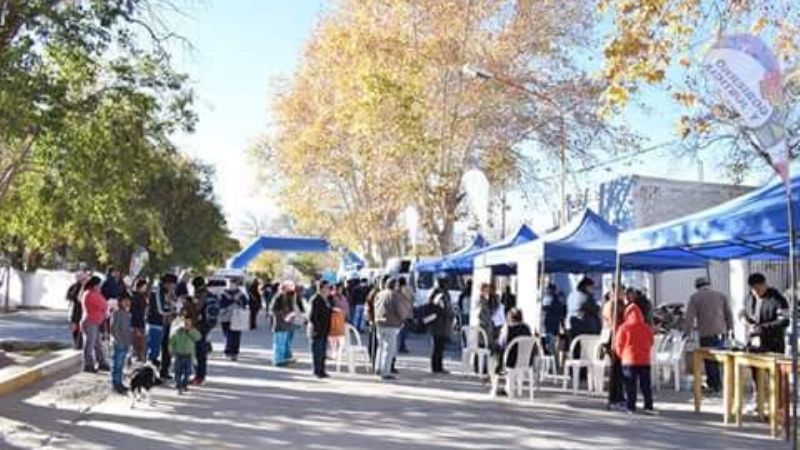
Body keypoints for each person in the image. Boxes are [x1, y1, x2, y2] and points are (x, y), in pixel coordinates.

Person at [683, 276, 733, 394]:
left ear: (697, 287)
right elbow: (728, 314)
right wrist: (731, 329)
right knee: (720, 358)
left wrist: (686, 333)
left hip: (706, 333)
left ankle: (714, 385)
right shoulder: (721, 295)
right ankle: (721, 384)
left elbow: (689, 318)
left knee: (709, 359)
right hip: (722, 332)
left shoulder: (695, 298)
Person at [615, 300, 655, 414]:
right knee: (645, 385)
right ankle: (648, 406)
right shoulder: (646, 327)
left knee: (630, 386)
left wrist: (622, 355)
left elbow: (619, 344)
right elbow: (651, 341)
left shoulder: (623, 327)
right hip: (644, 360)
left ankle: (630, 407)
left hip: (629, 361)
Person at [374, 278, 411, 381]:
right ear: (395, 285)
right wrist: (404, 318)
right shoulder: (394, 295)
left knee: (380, 347)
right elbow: (400, 310)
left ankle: (378, 368)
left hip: (379, 322)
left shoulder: (380, 294)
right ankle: (385, 372)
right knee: (389, 349)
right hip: (391, 323)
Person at [491, 308, 533, 395]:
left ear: (509, 317)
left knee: (495, 356)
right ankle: (509, 388)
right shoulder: (527, 328)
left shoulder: (508, 328)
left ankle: (495, 387)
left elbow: (501, 343)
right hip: (526, 361)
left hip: (510, 360)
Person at [147, 273, 177, 378]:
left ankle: (164, 371)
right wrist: (171, 311)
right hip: (157, 323)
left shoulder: (168, 293)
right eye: (172, 285)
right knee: (154, 351)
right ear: (167, 284)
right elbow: (161, 309)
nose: (173, 287)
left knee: (166, 348)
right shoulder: (157, 292)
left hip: (166, 324)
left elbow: (173, 305)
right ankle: (150, 375)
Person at [602, 284, 627, 410]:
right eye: (622, 291)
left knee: (618, 370)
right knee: (616, 370)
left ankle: (618, 396)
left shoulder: (615, 304)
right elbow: (614, 323)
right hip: (614, 339)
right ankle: (615, 398)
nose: (624, 294)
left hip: (615, 338)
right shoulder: (613, 305)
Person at [191, 276, 219, 385]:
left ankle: (199, 377)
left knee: (199, 351)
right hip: (208, 325)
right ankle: (200, 376)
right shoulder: (210, 294)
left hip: (201, 325)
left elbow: (197, 308)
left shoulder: (201, 294)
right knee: (200, 351)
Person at [81, 276, 110, 373]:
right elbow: (104, 304)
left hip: (95, 322)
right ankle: (88, 364)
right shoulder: (91, 294)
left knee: (97, 344)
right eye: (98, 285)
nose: (100, 287)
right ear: (94, 285)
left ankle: (101, 362)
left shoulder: (92, 293)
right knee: (90, 344)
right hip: (91, 322)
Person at [428, 276, 455, 375]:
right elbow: (436, 307)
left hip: (443, 324)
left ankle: (439, 366)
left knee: (440, 346)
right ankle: (436, 367)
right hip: (438, 323)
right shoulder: (437, 293)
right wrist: (447, 312)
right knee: (437, 346)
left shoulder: (444, 293)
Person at [169, 314, 201, 394]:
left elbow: (198, 337)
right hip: (179, 354)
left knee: (187, 372)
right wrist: (172, 350)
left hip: (188, 355)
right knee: (177, 371)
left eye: (188, 324)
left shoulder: (193, 332)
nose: (186, 325)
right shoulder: (177, 333)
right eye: (184, 323)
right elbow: (171, 342)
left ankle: (184, 384)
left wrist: (190, 330)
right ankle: (179, 384)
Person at [308, 281, 332, 378]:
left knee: (323, 351)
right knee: (317, 351)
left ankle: (322, 369)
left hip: (325, 329)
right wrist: (317, 327)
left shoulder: (327, 299)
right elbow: (312, 316)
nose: (328, 290)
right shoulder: (316, 299)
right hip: (317, 329)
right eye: (326, 287)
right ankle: (317, 370)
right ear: (321, 288)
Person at [220, 278, 248, 361]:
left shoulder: (240, 293)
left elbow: (245, 302)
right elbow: (220, 303)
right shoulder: (223, 293)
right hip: (226, 317)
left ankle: (233, 352)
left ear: (236, 284)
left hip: (237, 316)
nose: (230, 285)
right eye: (229, 283)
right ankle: (229, 350)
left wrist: (238, 301)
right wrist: (230, 302)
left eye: (232, 283)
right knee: (227, 334)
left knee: (235, 335)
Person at [110, 292, 132, 394]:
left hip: (125, 343)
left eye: (128, 301)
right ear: (120, 302)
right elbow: (114, 329)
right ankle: (115, 384)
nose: (127, 303)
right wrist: (119, 341)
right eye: (125, 301)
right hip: (119, 343)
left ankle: (119, 383)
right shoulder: (116, 313)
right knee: (116, 365)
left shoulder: (127, 314)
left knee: (121, 365)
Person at [66, 270, 88, 350]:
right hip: (75, 310)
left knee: (81, 328)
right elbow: (69, 296)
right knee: (75, 328)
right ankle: (77, 343)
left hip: (83, 310)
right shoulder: (74, 287)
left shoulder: (86, 287)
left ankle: (79, 344)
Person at [130, 278, 149, 363]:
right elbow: (135, 312)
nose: (146, 288)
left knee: (141, 344)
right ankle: (136, 359)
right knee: (137, 343)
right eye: (145, 286)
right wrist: (136, 326)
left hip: (141, 322)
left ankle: (140, 359)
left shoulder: (142, 296)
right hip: (137, 323)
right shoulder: (136, 297)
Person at [328, 283, 349, 358]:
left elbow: (346, 306)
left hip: (342, 318)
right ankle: (334, 352)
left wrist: (346, 316)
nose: (340, 290)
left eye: (341, 289)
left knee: (341, 337)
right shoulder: (331, 296)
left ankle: (338, 352)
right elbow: (330, 307)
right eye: (338, 288)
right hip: (334, 318)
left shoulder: (343, 297)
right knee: (333, 337)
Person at [397, 277, 412, 354]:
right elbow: (411, 299)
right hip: (405, 313)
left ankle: (400, 345)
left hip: (398, 313)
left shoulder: (396, 290)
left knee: (400, 330)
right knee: (403, 331)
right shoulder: (406, 290)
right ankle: (401, 346)